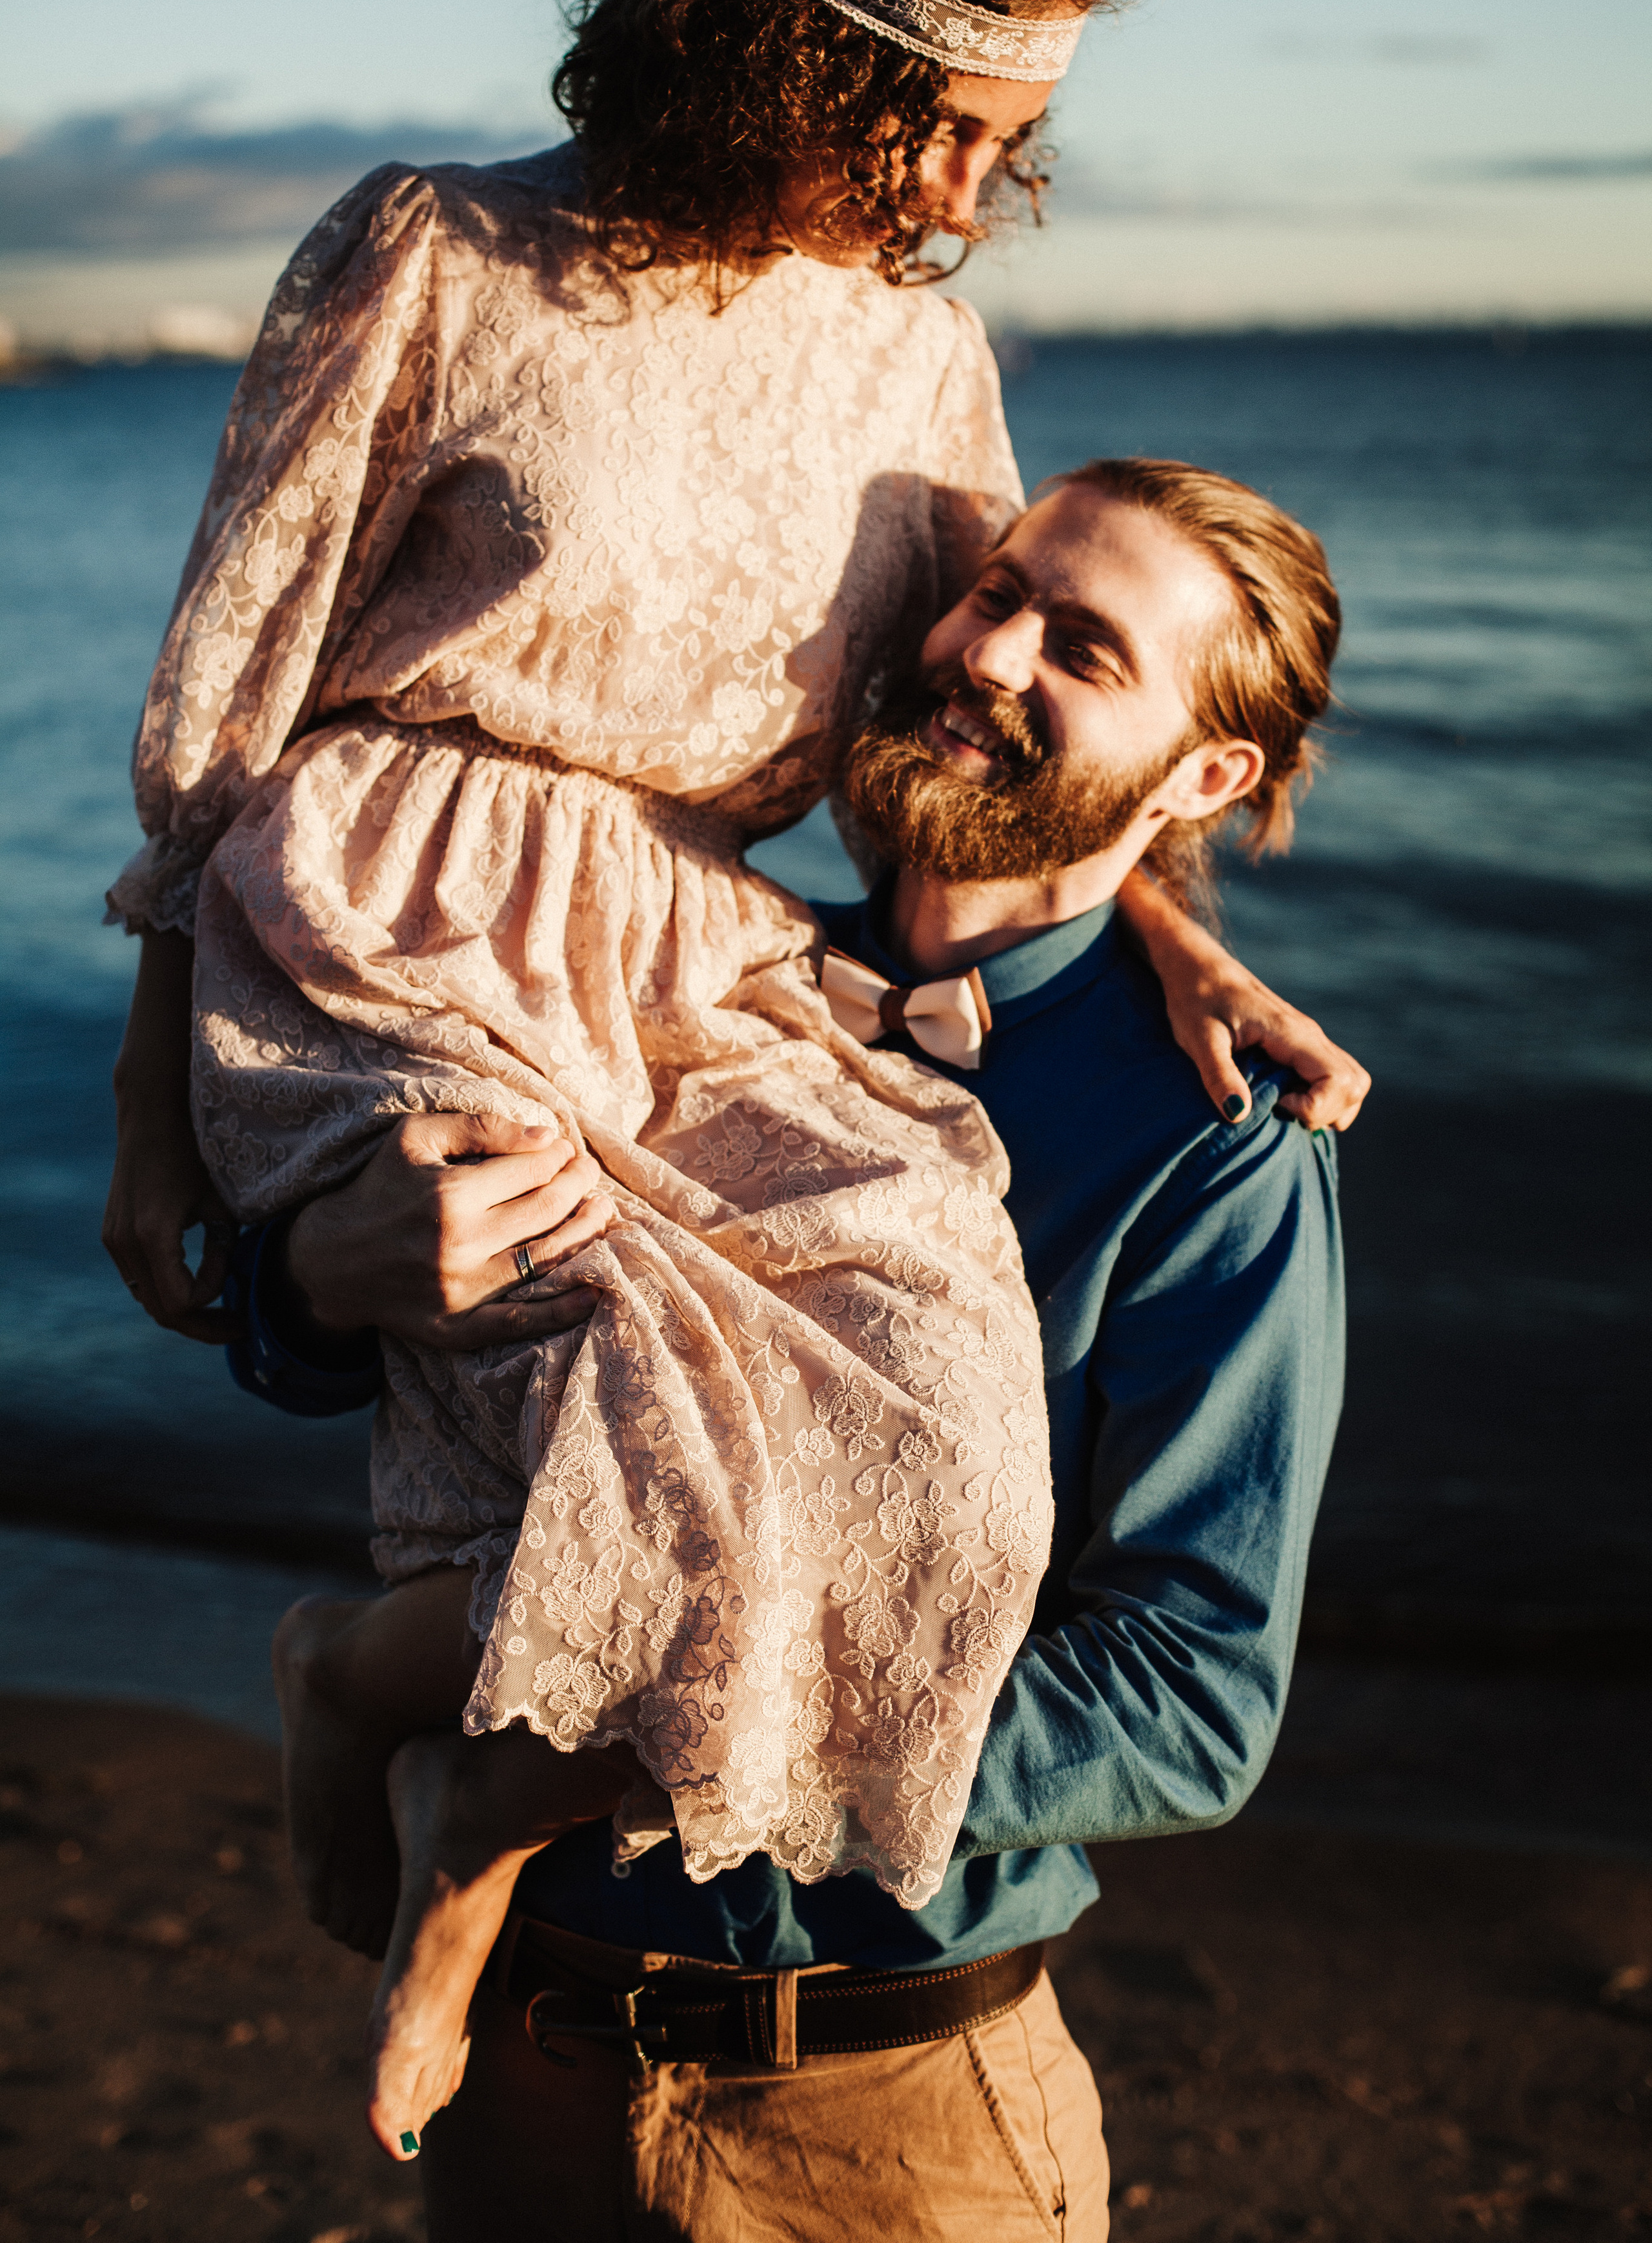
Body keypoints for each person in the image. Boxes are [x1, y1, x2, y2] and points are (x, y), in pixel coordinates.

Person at [244, 454, 1353, 2238]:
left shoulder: (1209, 1148)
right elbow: (363, 1348)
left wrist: (679, 1735)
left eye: (1086, 647)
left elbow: (1189, 1703)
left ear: (1209, 774)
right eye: (999, 590)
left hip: (886, 2107)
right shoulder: (675, 963)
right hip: (527, 2063)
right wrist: (312, 1276)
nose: (995, 654)